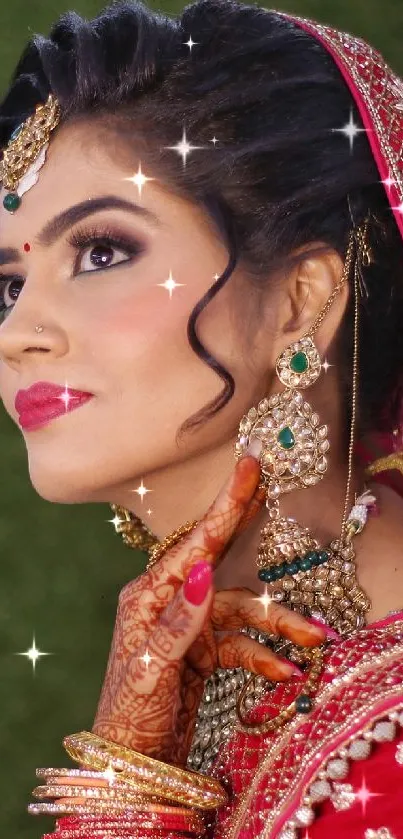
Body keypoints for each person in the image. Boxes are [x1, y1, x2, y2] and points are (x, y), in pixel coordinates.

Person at [0, 0, 402, 836]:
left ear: (300, 302)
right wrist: (128, 764)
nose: (18, 333)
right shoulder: (191, 665)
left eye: (102, 250)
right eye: (9, 283)